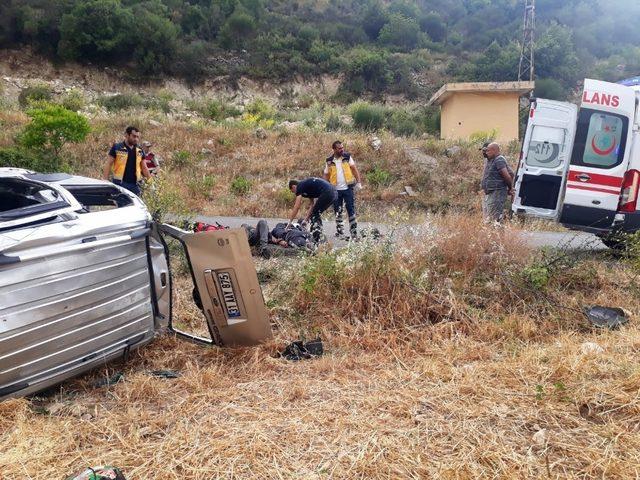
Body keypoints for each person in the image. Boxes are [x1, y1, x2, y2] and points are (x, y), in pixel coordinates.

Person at [323, 140, 363, 239]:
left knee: (351, 210)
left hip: (347, 189)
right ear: (334, 149)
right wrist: (324, 187)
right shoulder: (329, 161)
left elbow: (354, 169)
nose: (342, 149)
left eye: (342, 147)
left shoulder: (347, 157)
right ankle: (340, 232)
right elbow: (326, 174)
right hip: (335, 190)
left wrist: (358, 182)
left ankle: (353, 233)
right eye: (339, 148)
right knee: (338, 210)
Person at [287, 177, 337, 244]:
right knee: (316, 214)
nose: (294, 193)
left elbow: (296, 207)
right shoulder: (307, 187)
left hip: (328, 192)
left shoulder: (300, 186)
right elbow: (312, 205)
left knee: (315, 215)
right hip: (334, 193)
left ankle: (318, 238)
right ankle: (319, 236)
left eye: (292, 191)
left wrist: (289, 222)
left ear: (293, 187)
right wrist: (306, 219)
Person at [104, 126, 150, 195]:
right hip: (120, 183)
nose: (136, 139)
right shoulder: (117, 147)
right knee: (122, 204)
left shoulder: (140, 150)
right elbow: (109, 164)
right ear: (126, 135)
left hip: (135, 185)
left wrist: (150, 182)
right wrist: (105, 180)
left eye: (137, 137)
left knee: (137, 205)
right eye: (134, 136)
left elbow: (144, 167)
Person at [481, 142, 514, 223]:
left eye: (488, 151)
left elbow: (507, 176)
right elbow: (511, 173)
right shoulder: (490, 160)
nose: (486, 152)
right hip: (491, 192)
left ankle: (497, 234)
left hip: (497, 192)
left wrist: (510, 188)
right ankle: (494, 234)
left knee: (494, 219)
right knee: (490, 218)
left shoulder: (499, 159)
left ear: (494, 150)